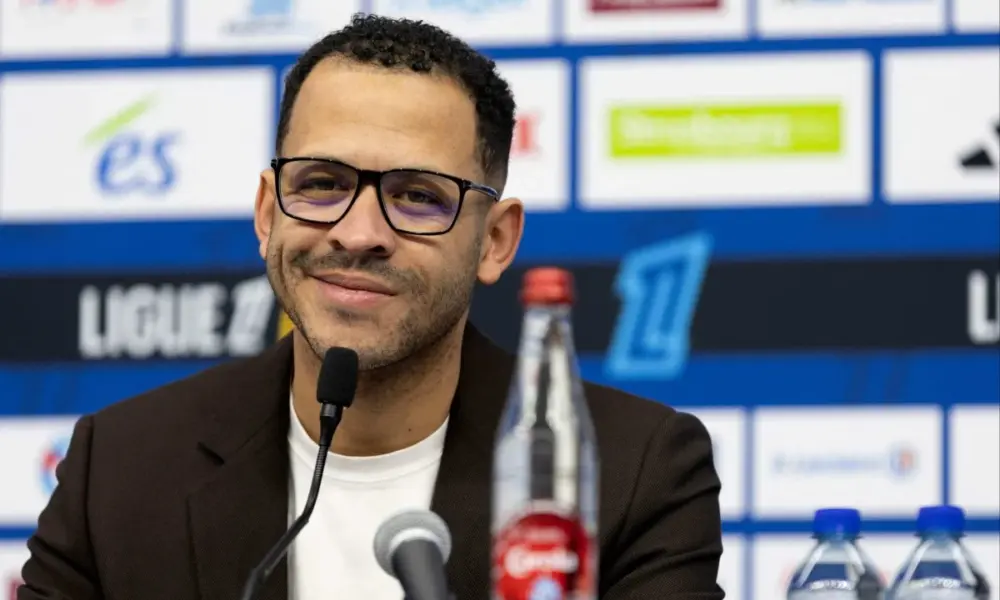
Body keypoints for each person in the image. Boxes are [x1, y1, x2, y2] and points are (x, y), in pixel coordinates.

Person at [18, 13, 725, 600]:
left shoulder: (636, 472)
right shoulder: (121, 469)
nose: (358, 234)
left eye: (417, 196)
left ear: (495, 241)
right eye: (322, 183)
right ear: (267, 212)